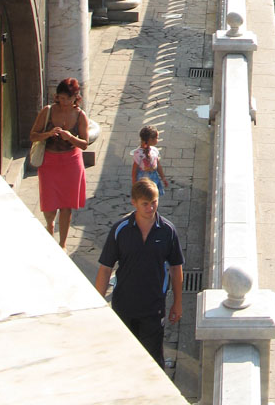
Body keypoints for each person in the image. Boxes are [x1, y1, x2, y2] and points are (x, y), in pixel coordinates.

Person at [95, 179, 184, 368]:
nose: (150, 208)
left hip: (153, 306)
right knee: (123, 358)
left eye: (154, 202)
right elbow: (105, 268)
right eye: (145, 204)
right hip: (123, 305)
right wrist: (97, 305)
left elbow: (176, 268)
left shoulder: (167, 231)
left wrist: (177, 302)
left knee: (153, 360)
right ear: (134, 202)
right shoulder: (120, 230)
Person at [30, 77, 89, 251]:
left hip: (71, 163)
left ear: (75, 98)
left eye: (67, 99)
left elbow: (84, 144)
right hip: (50, 162)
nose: (63, 102)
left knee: (66, 205)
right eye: (61, 98)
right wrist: (48, 134)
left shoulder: (80, 115)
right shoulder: (48, 111)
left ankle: (62, 244)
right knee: (49, 205)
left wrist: (70, 137)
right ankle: (50, 228)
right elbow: (33, 135)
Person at [131, 125, 168, 195]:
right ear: (150, 140)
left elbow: (158, 165)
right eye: (157, 138)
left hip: (154, 178)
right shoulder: (138, 154)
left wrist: (163, 178)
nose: (158, 140)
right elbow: (134, 170)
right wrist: (134, 183)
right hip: (143, 181)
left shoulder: (154, 150)